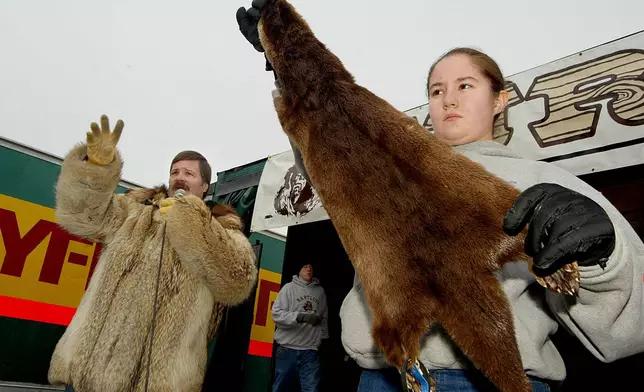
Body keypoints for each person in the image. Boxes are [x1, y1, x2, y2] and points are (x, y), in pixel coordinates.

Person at [337, 48, 644, 391]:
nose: (448, 100)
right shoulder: (387, 181)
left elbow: (631, 324)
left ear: (500, 101)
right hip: (383, 377)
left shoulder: (543, 182)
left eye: (464, 86)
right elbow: (324, 138)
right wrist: (285, 57)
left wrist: (603, 260)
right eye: (437, 91)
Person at [48, 115, 258, 392]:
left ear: (205, 187)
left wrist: (191, 221)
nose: (179, 177)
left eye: (189, 173)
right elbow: (81, 216)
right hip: (88, 371)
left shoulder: (222, 228)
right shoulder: (135, 210)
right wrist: (95, 171)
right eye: (175, 172)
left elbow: (237, 281)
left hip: (160, 383)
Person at [271, 262, 329, 392]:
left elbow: (324, 316)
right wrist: (300, 317)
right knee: (281, 388)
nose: (309, 269)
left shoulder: (319, 291)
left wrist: (322, 338)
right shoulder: (288, 288)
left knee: (311, 388)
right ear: (299, 270)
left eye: (311, 267)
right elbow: (276, 314)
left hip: (310, 351)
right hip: (287, 349)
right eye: (305, 267)